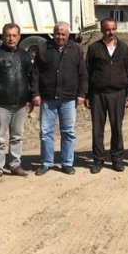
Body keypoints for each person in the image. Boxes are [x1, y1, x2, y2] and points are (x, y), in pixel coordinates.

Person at [30, 21, 88, 175]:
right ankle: (46, 162)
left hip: (69, 99)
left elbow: (82, 74)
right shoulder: (44, 49)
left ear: (68, 35)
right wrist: (35, 93)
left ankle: (67, 163)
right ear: (53, 33)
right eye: (57, 33)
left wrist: (82, 94)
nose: (60, 36)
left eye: (63, 34)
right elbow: (35, 73)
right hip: (48, 98)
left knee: (68, 132)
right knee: (46, 132)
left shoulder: (76, 49)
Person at [0, 23, 34, 180]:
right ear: (2, 36)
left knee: (17, 136)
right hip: (1, 104)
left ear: (19, 37)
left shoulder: (24, 55)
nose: (11, 38)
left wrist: (30, 98)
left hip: (20, 104)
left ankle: (15, 165)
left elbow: (30, 77)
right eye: (7, 35)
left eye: (14, 35)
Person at [85, 18, 128, 174]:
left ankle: (117, 159)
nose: (110, 32)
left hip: (118, 93)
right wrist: (87, 95)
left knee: (117, 128)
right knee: (97, 129)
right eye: (107, 29)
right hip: (98, 94)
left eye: (113, 29)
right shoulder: (94, 48)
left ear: (116, 29)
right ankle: (98, 160)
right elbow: (88, 72)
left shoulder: (123, 48)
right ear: (102, 30)